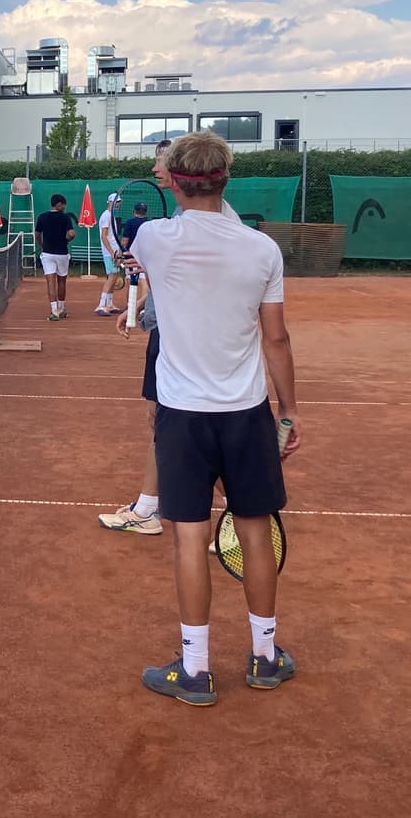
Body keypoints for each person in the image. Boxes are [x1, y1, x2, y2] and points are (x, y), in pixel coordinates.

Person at [127, 131, 301, 706]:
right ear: (228, 180)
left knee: (189, 536)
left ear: (174, 180)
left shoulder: (153, 238)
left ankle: (196, 670)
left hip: (182, 416)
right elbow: (275, 338)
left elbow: (159, 220)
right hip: (247, 413)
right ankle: (265, 657)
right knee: (256, 530)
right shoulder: (262, 249)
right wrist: (289, 411)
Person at [98, 139, 241, 537]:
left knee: (177, 423)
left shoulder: (211, 220)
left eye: (162, 161)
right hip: (170, 331)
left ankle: (236, 512)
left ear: (181, 169)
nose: (156, 168)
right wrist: (140, 303)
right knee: (161, 419)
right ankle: (149, 506)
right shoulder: (181, 216)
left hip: (187, 338)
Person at [34, 194, 75, 320]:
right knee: (61, 281)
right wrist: (68, 238)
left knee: (50, 282)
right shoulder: (65, 218)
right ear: (58, 204)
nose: (64, 207)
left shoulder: (42, 217)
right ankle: (61, 309)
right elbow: (71, 234)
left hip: (48, 254)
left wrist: (42, 246)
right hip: (62, 253)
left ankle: (54, 312)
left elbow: (37, 235)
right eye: (63, 204)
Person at [94, 194, 124, 316]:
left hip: (115, 252)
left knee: (114, 276)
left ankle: (110, 304)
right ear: (111, 201)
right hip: (110, 252)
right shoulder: (106, 216)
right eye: (117, 202)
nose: (118, 204)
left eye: (119, 202)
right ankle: (101, 305)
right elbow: (104, 236)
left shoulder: (111, 216)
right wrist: (111, 252)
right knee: (111, 277)